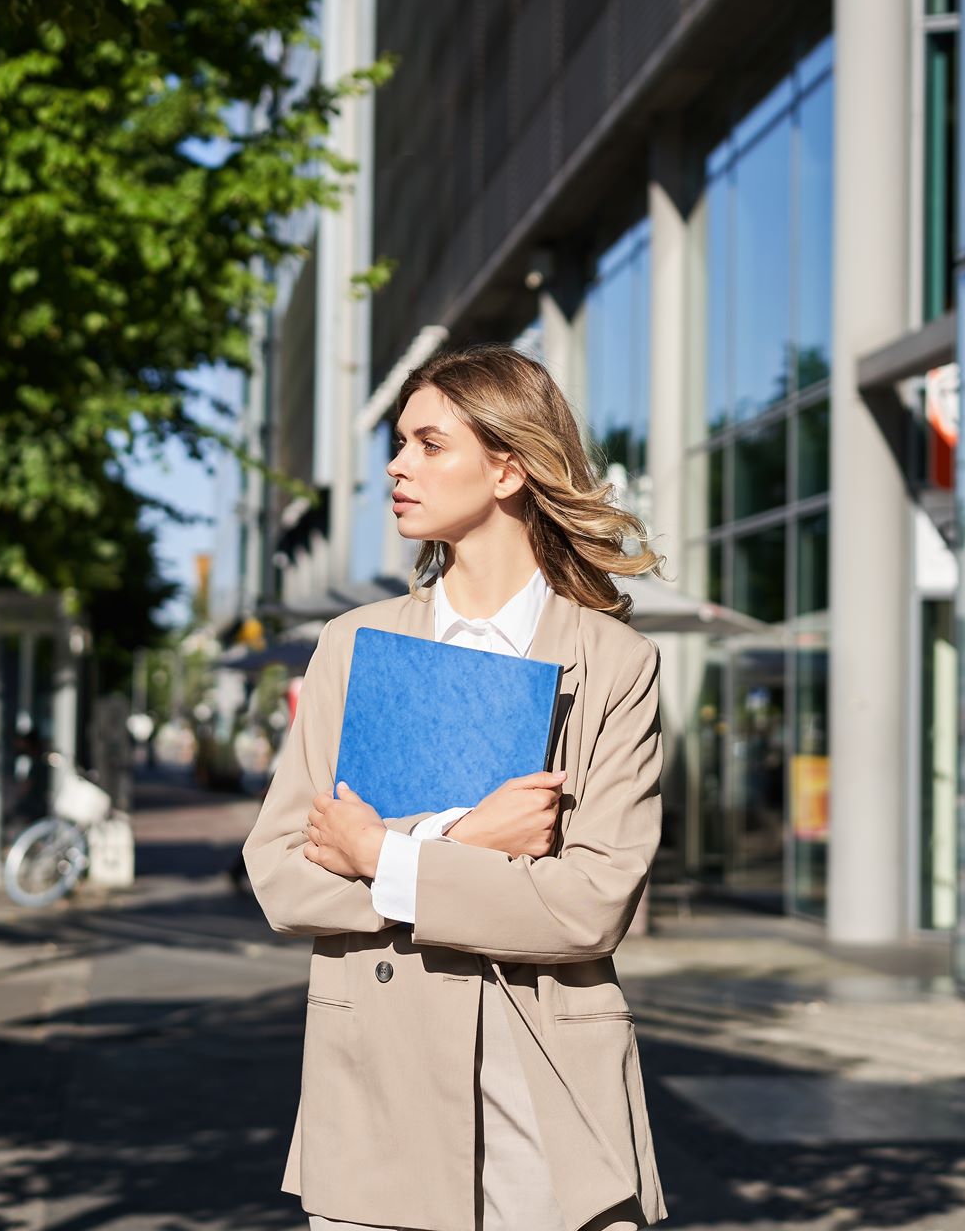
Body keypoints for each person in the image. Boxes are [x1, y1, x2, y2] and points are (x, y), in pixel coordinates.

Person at [242, 344, 668, 1231]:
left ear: (508, 469)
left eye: (430, 445)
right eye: (399, 444)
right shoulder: (353, 645)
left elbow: (590, 904)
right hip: (376, 1087)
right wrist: (461, 841)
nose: (397, 467)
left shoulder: (612, 663)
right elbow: (281, 873)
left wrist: (378, 855)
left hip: (547, 1086)